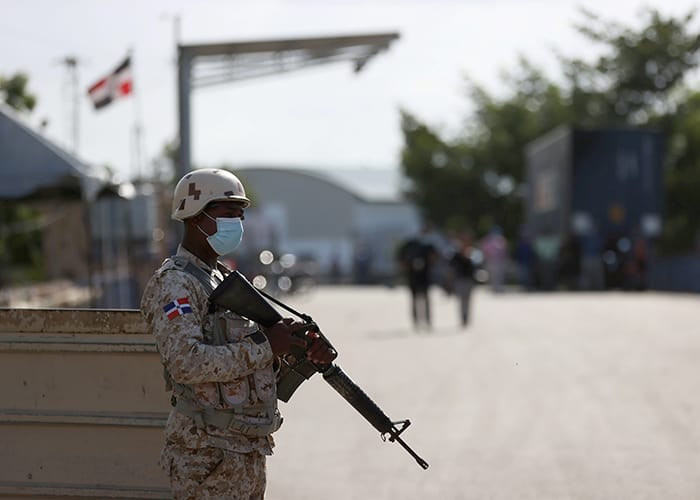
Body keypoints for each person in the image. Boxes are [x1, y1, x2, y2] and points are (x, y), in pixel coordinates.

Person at [140, 168, 336, 499]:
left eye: (240, 215)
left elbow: (243, 358)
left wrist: (293, 346)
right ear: (194, 216)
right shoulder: (176, 283)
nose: (237, 223)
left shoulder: (220, 278)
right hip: (204, 454)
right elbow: (186, 363)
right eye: (227, 214)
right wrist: (266, 346)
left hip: (244, 449)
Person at [396, 224, 438, 329]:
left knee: (426, 299)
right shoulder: (409, 244)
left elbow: (434, 258)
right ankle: (416, 322)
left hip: (425, 275)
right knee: (414, 299)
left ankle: (427, 321)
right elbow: (400, 258)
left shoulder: (428, 244)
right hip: (413, 276)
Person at [449, 231, 477, 327]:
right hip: (459, 279)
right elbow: (451, 266)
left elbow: (477, 265)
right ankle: (462, 318)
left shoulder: (473, 252)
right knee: (461, 300)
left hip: (469, 279)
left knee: (468, 300)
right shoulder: (456, 254)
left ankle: (466, 318)